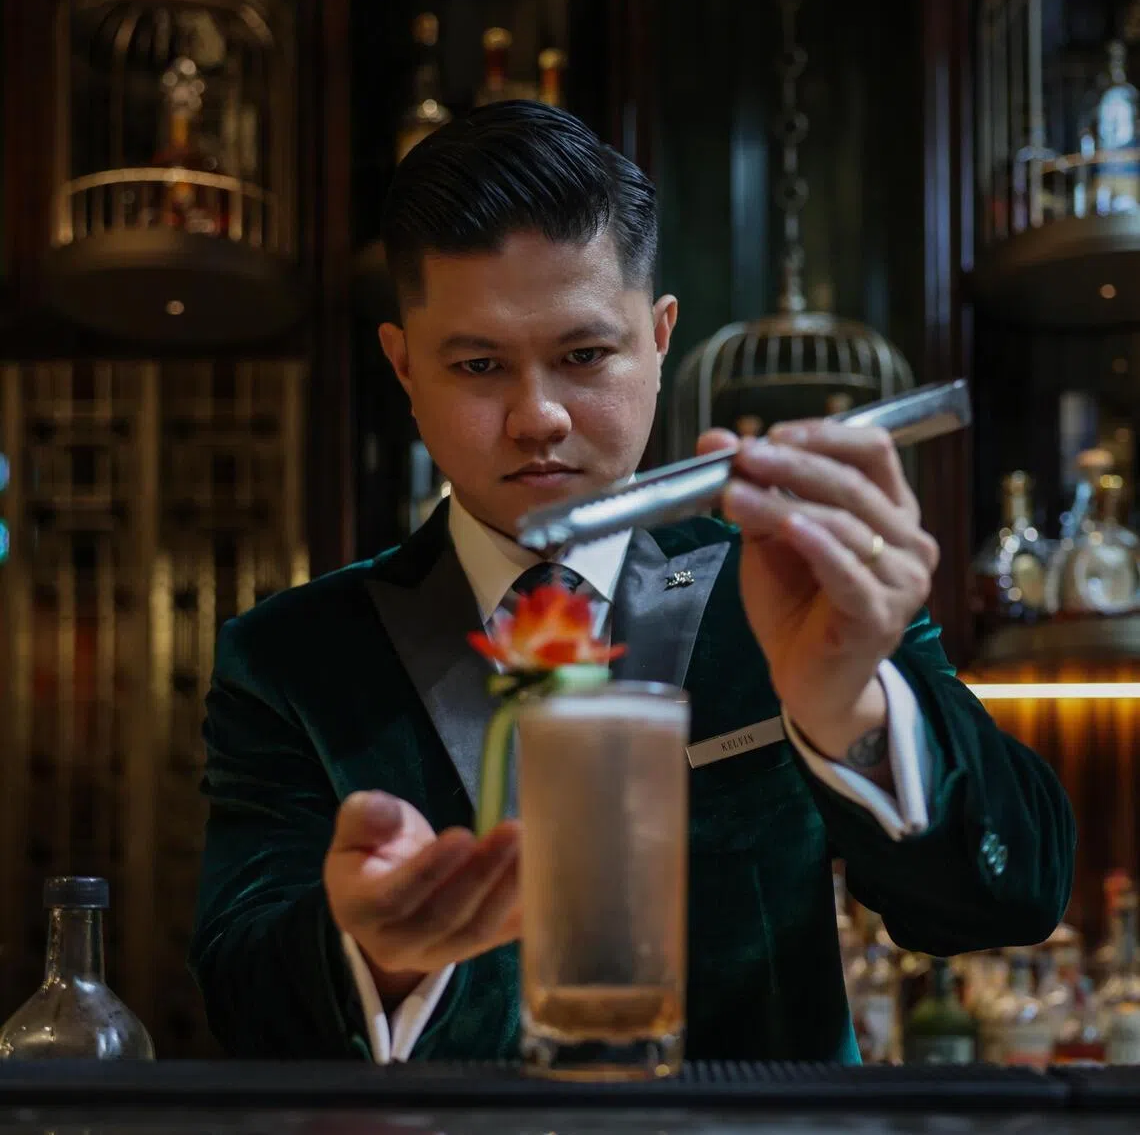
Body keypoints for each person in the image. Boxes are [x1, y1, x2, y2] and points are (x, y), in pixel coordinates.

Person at [188, 101, 1075, 1063]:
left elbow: (1014, 896)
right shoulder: (292, 658)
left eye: (583, 356)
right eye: (479, 364)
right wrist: (376, 953)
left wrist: (846, 702)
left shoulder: (795, 588)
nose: (538, 417)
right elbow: (241, 990)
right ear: (404, 368)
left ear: (659, 338)